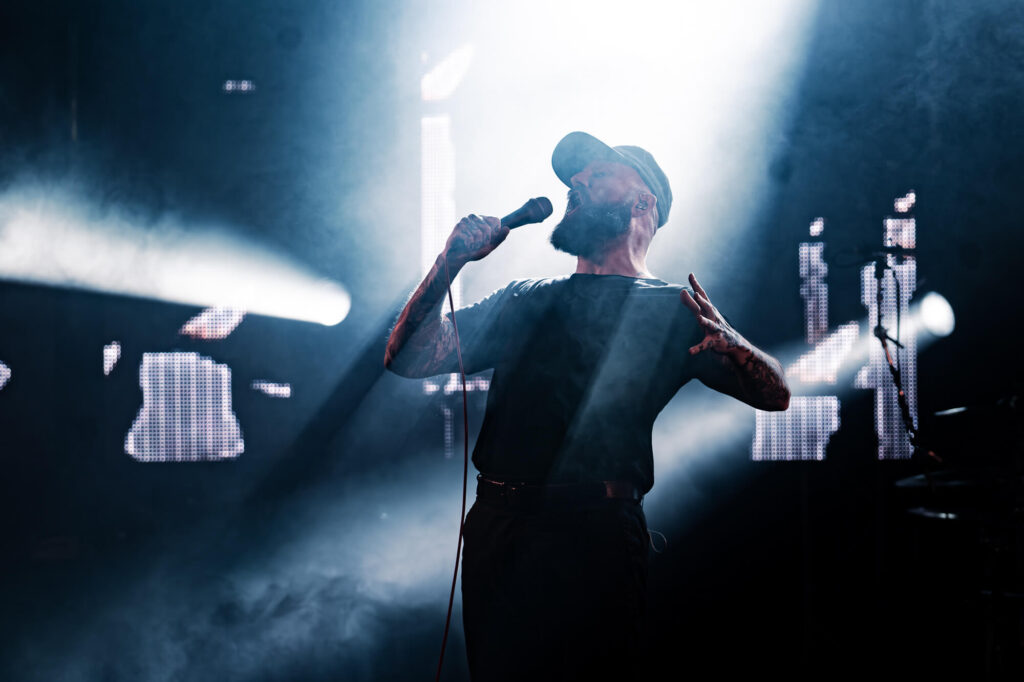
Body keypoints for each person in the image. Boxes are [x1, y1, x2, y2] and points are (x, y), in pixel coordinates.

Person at [384, 131, 790, 681]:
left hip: (595, 536)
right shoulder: (524, 298)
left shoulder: (675, 308)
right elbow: (409, 357)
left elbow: (775, 395)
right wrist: (448, 263)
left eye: (598, 174)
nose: (578, 182)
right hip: (499, 530)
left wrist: (738, 347)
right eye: (576, 177)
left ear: (643, 201)